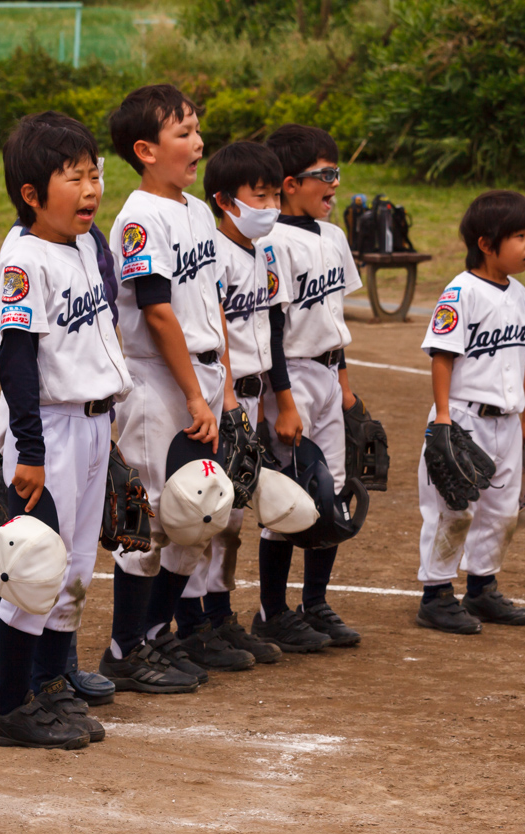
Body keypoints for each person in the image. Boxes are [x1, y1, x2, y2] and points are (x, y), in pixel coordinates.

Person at [0, 111, 132, 747]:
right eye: (74, 177)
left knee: (72, 564)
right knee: (33, 565)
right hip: (49, 430)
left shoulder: (79, 247)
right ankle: (7, 704)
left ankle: (47, 684)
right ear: (32, 194)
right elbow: (15, 360)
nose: (92, 189)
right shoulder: (23, 262)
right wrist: (32, 451)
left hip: (90, 425)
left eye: (95, 173)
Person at [102, 84, 234, 694]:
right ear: (145, 150)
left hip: (199, 375)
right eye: (183, 133)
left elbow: (209, 303)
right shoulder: (138, 219)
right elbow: (157, 313)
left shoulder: (198, 211)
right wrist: (196, 396)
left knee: (196, 512)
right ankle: (124, 645)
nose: (198, 142)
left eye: (196, 129)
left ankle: (156, 632)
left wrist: (220, 386)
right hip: (158, 383)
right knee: (151, 515)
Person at [249, 124, 364, 654]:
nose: (335, 185)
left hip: (326, 373)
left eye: (336, 173)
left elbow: (334, 318)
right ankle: (273, 612)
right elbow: (272, 329)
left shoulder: (334, 238)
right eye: (326, 175)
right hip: (288, 375)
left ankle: (314, 601)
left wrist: (345, 386)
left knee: (333, 492)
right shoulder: (272, 241)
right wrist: (284, 402)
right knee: (289, 496)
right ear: (290, 183)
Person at [176, 141, 286, 667]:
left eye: (272, 193)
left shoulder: (262, 251)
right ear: (224, 199)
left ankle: (219, 615)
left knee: (233, 521)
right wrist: (223, 403)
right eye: (257, 194)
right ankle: (193, 622)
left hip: (250, 396)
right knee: (207, 514)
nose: (268, 204)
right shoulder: (214, 253)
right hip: (221, 397)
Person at [415, 190, 525, 633]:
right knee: (454, 509)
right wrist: (445, 418)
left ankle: (482, 588)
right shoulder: (461, 292)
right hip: (464, 419)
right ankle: (435, 594)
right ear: (487, 244)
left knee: (502, 511)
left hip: (507, 422)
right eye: (519, 236)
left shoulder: (521, 296)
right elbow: (441, 357)